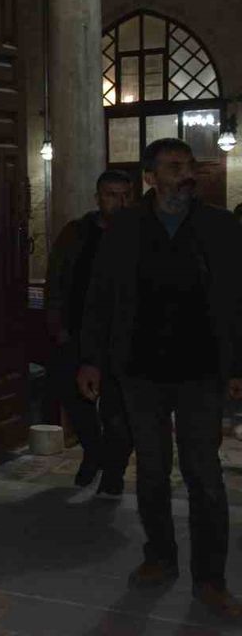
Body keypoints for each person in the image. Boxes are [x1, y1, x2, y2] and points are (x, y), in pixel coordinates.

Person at [78, 137, 242, 617]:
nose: (185, 175)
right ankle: (160, 556)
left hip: (201, 372)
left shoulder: (218, 226)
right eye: (174, 167)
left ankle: (210, 579)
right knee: (151, 470)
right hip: (140, 372)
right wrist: (91, 359)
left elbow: (238, 299)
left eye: (188, 166)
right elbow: (100, 297)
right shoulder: (125, 227)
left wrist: (238, 367)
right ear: (150, 177)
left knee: (204, 475)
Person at [45, 170, 135, 496]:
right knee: (74, 398)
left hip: (124, 338)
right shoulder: (77, 233)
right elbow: (57, 279)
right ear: (99, 198)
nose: (119, 202)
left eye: (125, 196)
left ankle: (114, 469)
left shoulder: (140, 235)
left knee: (120, 412)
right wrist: (58, 326)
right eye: (112, 195)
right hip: (77, 332)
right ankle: (93, 451)